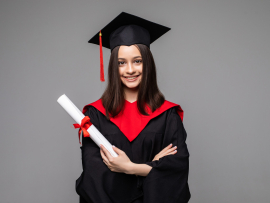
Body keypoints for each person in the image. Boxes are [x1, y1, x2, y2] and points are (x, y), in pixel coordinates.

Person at [75, 12, 191, 203]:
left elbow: (177, 169)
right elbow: (94, 178)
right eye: (121, 63)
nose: (130, 70)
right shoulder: (95, 115)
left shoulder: (168, 115)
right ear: (113, 66)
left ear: (148, 64)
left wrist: (129, 168)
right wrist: (152, 166)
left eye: (137, 61)